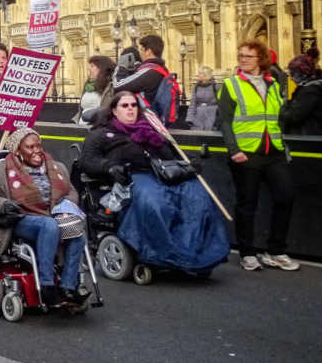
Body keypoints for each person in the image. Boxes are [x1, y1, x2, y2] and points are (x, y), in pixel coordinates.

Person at [81, 91, 229, 275]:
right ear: (114, 110)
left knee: (197, 196)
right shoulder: (102, 134)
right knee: (157, 203)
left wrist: (191, 162)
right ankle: (162, 255)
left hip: (162, 174)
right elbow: (87, 161)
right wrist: (109, 167)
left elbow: (173, 155)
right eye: (125, 106)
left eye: (134, 105)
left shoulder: (151, 130)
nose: (130, 109)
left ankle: (196, 253)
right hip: (132, 177)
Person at [0, 129, 85, 307]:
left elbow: (71, 191)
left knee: (75, 231)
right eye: (30, 147)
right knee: (49, 225)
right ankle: (47, 286)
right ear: (18, 151)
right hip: (20, 219)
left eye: (38, 145)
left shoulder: (57, 167)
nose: (37, 150)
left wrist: (65, 206)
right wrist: (3, 204)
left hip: (54, 215)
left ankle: (68, 287)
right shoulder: (0, 170)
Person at [216, 40, 298, 271]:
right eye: (241, 55)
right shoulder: (231, 84)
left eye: (248, 56)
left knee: (285, 197)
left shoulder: (274, 83)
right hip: (246, 153)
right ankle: (247, 252)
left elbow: (281, 116)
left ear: (261, 59)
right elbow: (224, 121)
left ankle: (276, 250)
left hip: (274, 151)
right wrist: (235, 151)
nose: (243, 59)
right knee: (247, 204)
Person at [113, 34, 180, 125]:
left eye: (142, 50)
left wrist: (121, 67)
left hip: (144, 123)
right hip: (155, 120)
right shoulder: (162, 69)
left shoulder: (149, 71)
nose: (140, 53)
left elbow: (118, 85)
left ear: (148, 51)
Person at [281, 55, 322, 135]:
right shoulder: (321, 86)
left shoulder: (309, 92)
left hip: (310, 140)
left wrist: (285, 101)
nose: (291, 78)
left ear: (300, 73)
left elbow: (292, 116)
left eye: (292, 73)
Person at [76, 55, 116, 124]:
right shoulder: (88, 85)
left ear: (101, 68)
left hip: (97, 127)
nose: (89, 69)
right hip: (82, 127)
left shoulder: (110, 86)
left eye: (92, 66)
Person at [186, 66, 220, 131]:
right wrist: (190, 118)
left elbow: (221, 104)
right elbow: (192, 104)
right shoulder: (196, 87)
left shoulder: (216, 86)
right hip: (198, 118)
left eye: (199, 73)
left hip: (212, 118)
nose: (197, 75)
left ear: (205, 75)